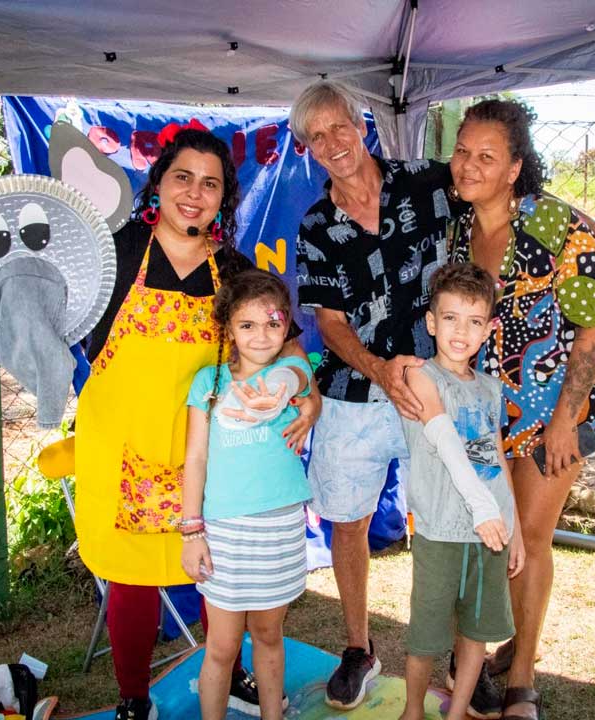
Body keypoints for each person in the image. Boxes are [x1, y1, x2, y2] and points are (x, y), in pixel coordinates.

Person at [75, 126, 318, 720]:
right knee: (129, 576)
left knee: (221, 576)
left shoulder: (234, 272)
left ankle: (231, 675)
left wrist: (306, 394)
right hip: (122, 442)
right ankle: (133, 700)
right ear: (159, 182)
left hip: (208, 451)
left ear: (223, 198)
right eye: (182, 177)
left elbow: (289, 346)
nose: (194, 193)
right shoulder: (112, 252)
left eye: (210, 184)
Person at [289, 80, 498, 712]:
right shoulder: (317, 225)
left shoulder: (429, 182)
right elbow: (328, 322)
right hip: (357, 387)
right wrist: (380, 371)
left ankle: (471, 660)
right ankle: (359, 647)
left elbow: (503, 191)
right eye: (316, 137)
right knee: (345, 519)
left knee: (461, 513)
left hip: (440, 382)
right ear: (306, 149)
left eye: (340, 126)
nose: (333, 143)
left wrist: (587, 224)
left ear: (361, 123)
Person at [446, 98, 595, 720]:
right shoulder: (461, 228)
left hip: (555, 408)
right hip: (489, 411)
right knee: (496, 539)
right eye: (463, 151)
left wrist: (567, 419)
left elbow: (593, 331)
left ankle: (521, 677)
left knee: (531, 538)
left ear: (516, 168)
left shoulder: (553, 226)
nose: (468, 165)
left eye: (486, 156)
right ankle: (493, 652)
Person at [181, 269, 313, 720]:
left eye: (273, 324)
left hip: (279, 527)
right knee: (220, 647)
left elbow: (295, 375)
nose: (261, 336)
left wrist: (278, 393)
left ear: (287, 326)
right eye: (247, 325)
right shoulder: (208, 383)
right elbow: (195, 460)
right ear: (229, 329)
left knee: (270, 636)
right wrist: (190, 530)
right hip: (224, 533)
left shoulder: (291, 372)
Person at [398, 262, 524, 720]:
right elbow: (446, 441)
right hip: (442, 531)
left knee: (476, 633)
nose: (460, 331)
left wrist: (515, 531)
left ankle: (457, 713)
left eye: (474, 322)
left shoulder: (490, 389)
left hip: (490, 532)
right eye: (450, 318)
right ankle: (412, 712)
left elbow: (496, 460)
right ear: (431, 322)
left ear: (488, 329)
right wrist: (483, 508)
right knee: (426, 638)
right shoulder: (421, 376)